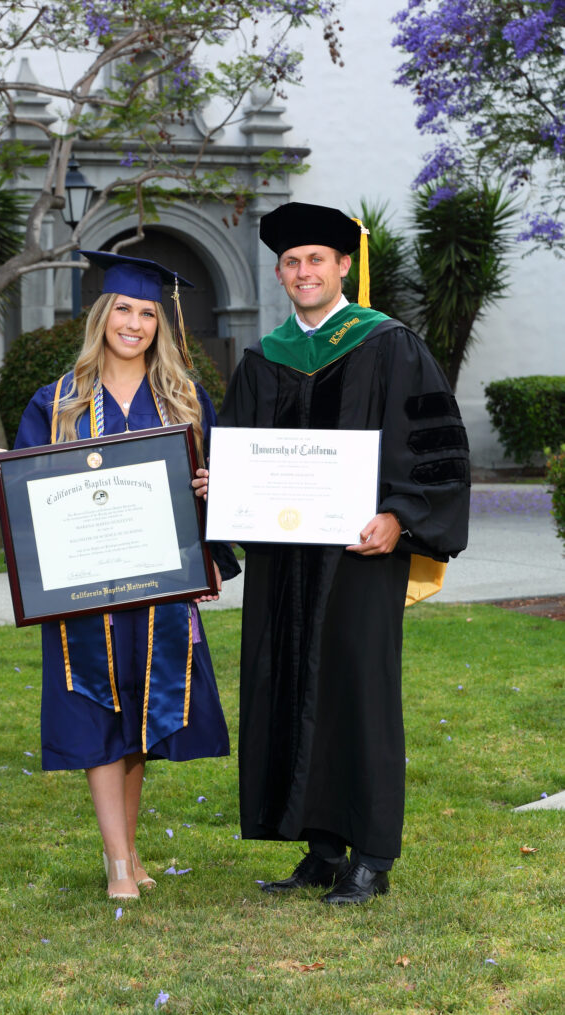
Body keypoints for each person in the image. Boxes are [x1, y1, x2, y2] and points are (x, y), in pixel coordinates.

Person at [193, 202, 470, 905]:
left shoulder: (389, 345)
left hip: (360, 554)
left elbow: (435, 449)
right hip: (286, 559)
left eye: (315, 259)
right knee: (286, 685)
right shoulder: (264, 359)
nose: (302, 271)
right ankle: (318, 848)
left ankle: (371, 856)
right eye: (290, 262)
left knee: (358, 695)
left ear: (344, 266)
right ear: (279, 273)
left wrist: (399, 517)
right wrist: (219, 487)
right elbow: (250, 455)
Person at [0, 251, 239, 901]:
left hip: (159, 588)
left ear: (161, 325)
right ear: (101, 317)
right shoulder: (58, 401)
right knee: (98, 710)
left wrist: (214, 487)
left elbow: (210, 490)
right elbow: (32, 496)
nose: (134, 322)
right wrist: (0, 472)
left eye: (147, 313)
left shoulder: (184, 398)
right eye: (123, 308)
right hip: (84, 590)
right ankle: (118, 862)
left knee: (141, 719)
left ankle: (128, 849)